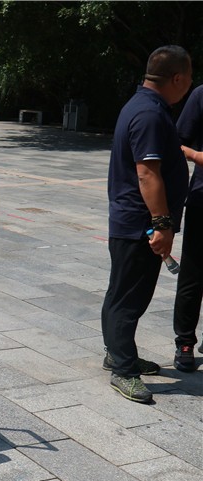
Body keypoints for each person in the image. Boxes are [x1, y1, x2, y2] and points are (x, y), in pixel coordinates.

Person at [102, 45, 193, 402]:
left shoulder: (142, 105)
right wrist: (163, 224)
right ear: (177, 78)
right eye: (189, 77)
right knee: (128, 298)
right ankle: (124, 370)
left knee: (122, 292)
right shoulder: (150, 114)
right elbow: (147, 173)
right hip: (140, 223)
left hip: (133, 221)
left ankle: (118, 353)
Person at [174, 84, 203, 372]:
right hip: (202, 200)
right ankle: (185, 341)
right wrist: (197, 156)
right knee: (193, 275)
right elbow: (177, 143)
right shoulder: (201, 95)